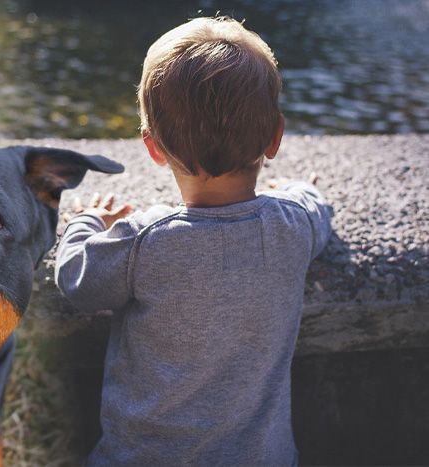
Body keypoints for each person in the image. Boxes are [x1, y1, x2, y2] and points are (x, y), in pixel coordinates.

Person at [54, 16, 332, 465]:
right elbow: (316, 208)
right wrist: (300, 191)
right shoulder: (293, 226)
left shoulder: (144, 242)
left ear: (153, 147)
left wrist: (84, 222)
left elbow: (77, 280)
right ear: (275, 137)